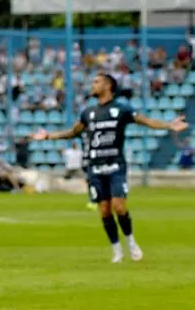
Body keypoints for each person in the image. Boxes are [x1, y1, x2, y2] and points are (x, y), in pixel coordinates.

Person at [32, 73, 188, 263]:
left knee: (119, 206)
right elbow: (73, 132)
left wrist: (169, 125)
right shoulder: (88, 113)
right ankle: (117, 250)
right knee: (104, 210)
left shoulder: (121, 110)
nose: (93, 85)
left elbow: (146, 121)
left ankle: (131, 242)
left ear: (108, 86)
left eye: (96, 82)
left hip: (115, 165)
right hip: (95, 168)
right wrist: (49, 136)